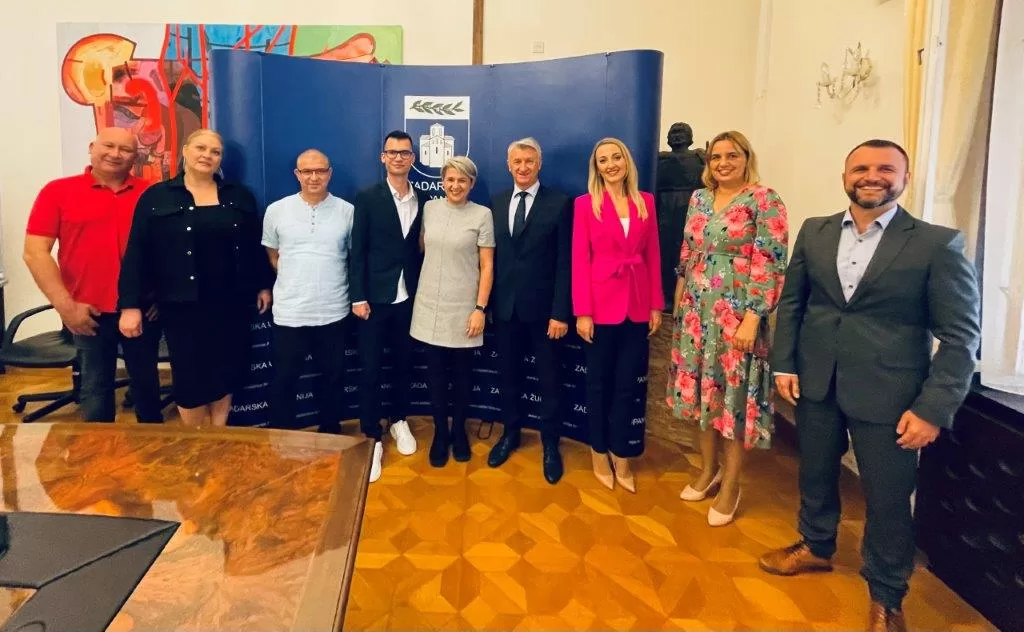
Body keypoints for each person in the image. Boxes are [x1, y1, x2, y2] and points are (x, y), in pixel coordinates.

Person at [759, 139, 981, 632]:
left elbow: (961, 336)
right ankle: (816, 545)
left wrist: (933, 408)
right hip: (816, 382)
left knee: (887, 498)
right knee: (815, 473)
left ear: (905, 178)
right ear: (845, 177)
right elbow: (794, 304)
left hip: (891, 396)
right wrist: (784, 364)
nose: (872, 176)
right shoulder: (815, 231)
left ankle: (887, 595)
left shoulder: (936, 244)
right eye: (861, 167)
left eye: (885, 168)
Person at [666, 130, 789, 526]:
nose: (722, 163)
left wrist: (753, 317)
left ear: (746, 158)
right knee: (702, 396)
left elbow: (771, 262)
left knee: (731, 403)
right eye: (716, 157)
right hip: (696, 313)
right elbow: (687, 251)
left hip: (737, 317)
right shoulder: (699, 199)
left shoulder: (765, 200)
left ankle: (732, 485)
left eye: (731, 155)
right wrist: (680, 299)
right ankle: (709, 470)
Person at [118, 128, 274, 426]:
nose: (207, 156)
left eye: (215, 152)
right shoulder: (156, 197)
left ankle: (219, 434)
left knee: (226, 371)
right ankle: (196, 440)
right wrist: (130, 305)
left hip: (231, 302)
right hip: (182, 306)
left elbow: (254, 246)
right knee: (190, 378)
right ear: (185, 151)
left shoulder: (238, 196)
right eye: (201, 148)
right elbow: (137, 252)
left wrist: (263, 285)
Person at [23, 127, 164, 423]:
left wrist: (160, 297)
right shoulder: (57, 192)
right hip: (87, 311)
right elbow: (35, 253)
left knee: (148, 391)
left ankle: (156, 450)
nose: (115, 154)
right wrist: (66, 307)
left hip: (142, 308)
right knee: (95, 392)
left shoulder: (152, 193)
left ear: (136, 157)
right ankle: (96, 452)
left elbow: (170, 250)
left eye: (125, 149)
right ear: (92, 147)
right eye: (108, 145)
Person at [572, 137, 664, 492]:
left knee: (627, 388)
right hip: (599, 308)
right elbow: (580, 260)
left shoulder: (646, 202)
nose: (611, 164)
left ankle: (621, 454)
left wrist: (655, 304)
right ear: (596, 168)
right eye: (603, 160)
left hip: (636, 307)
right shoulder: (585, 205)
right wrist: (583, 312)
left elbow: (653, 254)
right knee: (598, 385)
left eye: (616, 157)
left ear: (626, 161)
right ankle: (598, 452)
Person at [487, 137, 572, 484]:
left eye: (529, 161)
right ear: (509, 166)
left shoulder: (560, 203)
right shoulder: (496, 202)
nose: (523, 167)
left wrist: (560, 312)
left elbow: (565, 262)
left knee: (549, 380)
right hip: (505, 310)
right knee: (508, 376)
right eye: (517, 162)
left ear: (539, 165)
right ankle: (510, 434)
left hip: (545, 314)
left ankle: (550, 444)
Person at [350, 130, 426, 482]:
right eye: (392, 152)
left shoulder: (423, 199)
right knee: (370, 370)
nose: (398, 157)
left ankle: (398, 420)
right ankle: (372, 437)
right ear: (383, 157)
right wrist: (358, 296)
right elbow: (358, 250)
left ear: (413, 158)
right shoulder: (367, 197)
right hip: (373, 300)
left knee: (403, 364)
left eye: (404, 152)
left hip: (409, 298)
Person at [410, 155, 494, 468]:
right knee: (434, 377)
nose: (455, 185)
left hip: (464, 308)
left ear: (471, 184)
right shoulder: (430, 209)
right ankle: (439, 434)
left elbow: (487, 265)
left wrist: (479, 308)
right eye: (450, 179)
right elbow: (421, 247)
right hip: (429, 305)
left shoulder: (483, 215)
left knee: (461, 377)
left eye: (462, 180)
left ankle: (458, 431)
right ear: (442, 182)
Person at [262, 149, 353, 435]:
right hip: (290, 312)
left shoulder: (347, 211)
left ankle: (331, 435)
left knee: (333, 378)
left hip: (334, 310)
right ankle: (282, 438)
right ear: (297, 175)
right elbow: (273, 254)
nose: (314, 177)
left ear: (330, 174)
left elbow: (352, 256)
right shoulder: (276, 210)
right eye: (307, 171)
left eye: (320, 171)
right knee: (284, 379)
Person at [656, 122, 706, 308]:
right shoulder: (659, 160)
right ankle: (666, 297)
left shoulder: (700, 159)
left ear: (690, 138)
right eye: (673, 132)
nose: (677, 136)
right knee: (664, 255)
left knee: (688, 254)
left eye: (681, 132)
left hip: (690, 212)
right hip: (664, 213)